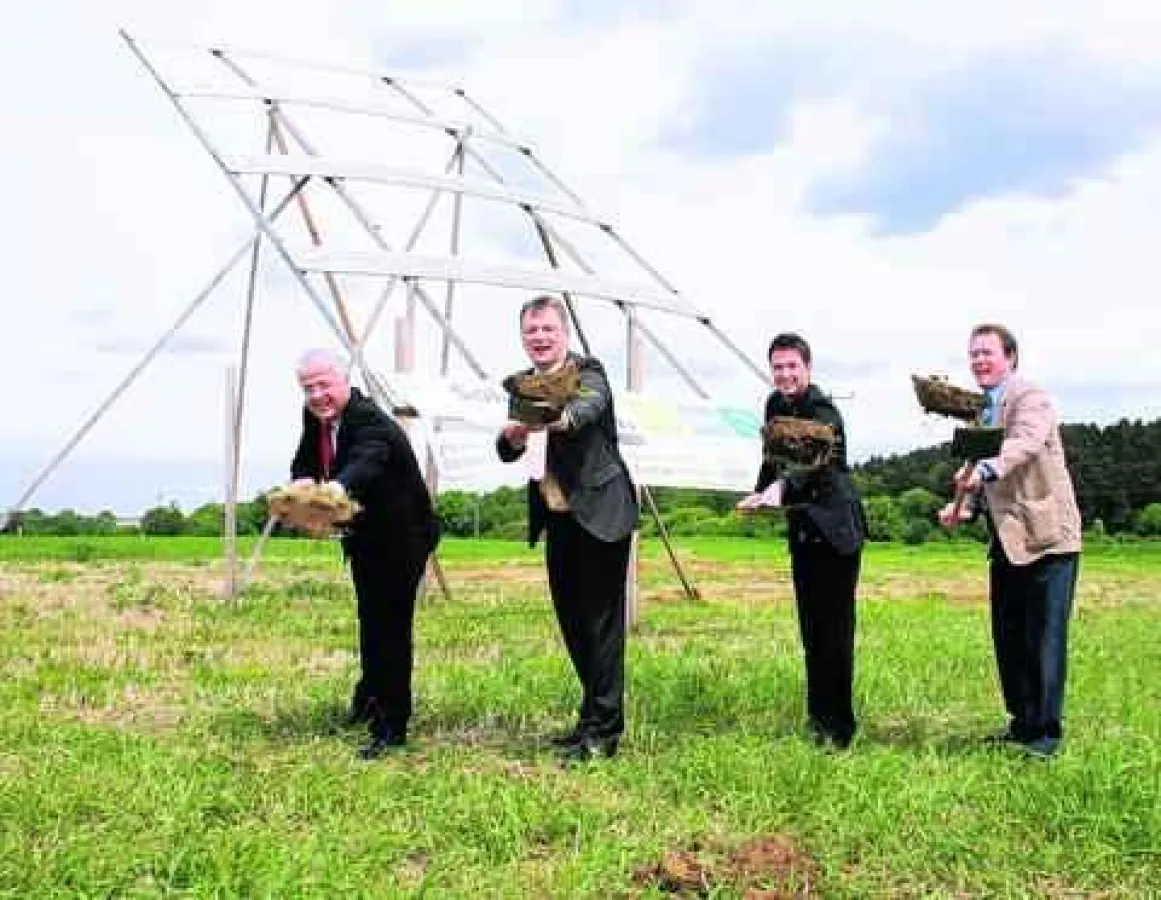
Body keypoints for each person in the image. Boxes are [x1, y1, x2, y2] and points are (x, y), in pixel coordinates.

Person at [496, 295, 639, 762]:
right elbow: (509, 445)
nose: (539, 338)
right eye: (531, 331)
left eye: (547, 330)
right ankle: (589, 719)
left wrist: (555, 417)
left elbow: (586, 410)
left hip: (601, 513)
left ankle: (605, 732)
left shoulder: (588, 371)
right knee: (573, 623)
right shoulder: (523, 385)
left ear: (565, 335)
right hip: (558, 517)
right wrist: (511, 435)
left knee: (601, 625)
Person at [939, 324, 1081, 757]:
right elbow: (978, 471)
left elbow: (1022, 445)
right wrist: (961, 507)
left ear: (1011, 357)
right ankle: (1021, 724)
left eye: (987, 353)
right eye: (973, 354)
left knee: (1044, 637)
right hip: (1007, 538)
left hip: (1049, 537)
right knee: (1010, 636)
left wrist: (984, 470)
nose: (978, 360)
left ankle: (1045, 736)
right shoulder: (983, 410)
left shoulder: (1029, 397)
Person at [290, 349, 440, 759]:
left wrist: (335, 489)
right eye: (308, 388)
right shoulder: (317, 417)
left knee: (389, 627)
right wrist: (301, 486)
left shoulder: (368, 419)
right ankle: (370, 698)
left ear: (345, 380)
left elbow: (366, 461)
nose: (317, 395)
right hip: (365, 536)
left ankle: (392, 727)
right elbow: (307, 456)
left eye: (323, 385)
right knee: (370, 620)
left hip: (402, 536)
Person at [738, 333, 866, 749]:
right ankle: (818, 719)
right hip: (803, 529)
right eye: (778, 367)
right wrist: (761, 491)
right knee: (811, 628)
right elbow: (771, 457)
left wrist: (781, 489)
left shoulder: (823, 410)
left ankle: (840, 729)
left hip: (835, 531)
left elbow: (812, 459)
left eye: (793, 366)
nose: (785, 374)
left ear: (808, 369)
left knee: (835, 631)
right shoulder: (775, 406)